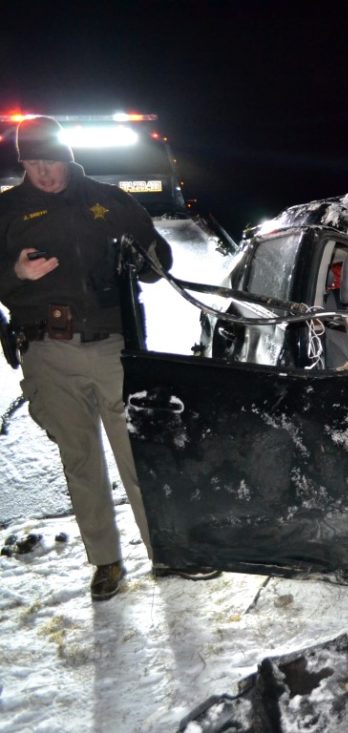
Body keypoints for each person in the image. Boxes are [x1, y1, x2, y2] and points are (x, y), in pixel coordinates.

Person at [0, 116, 216, 602]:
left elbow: (159, 261)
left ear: (67, 156)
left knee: (140, 455)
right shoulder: (6, 211)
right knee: (80, 462)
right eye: (33, 163)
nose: (44, 172)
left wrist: (147, 258)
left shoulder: (110, 201)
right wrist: (15, 275)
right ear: (22, 163)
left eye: (51, 161)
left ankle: (167, 552)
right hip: (46, 352)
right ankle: (105, 562)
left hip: (112, 347)